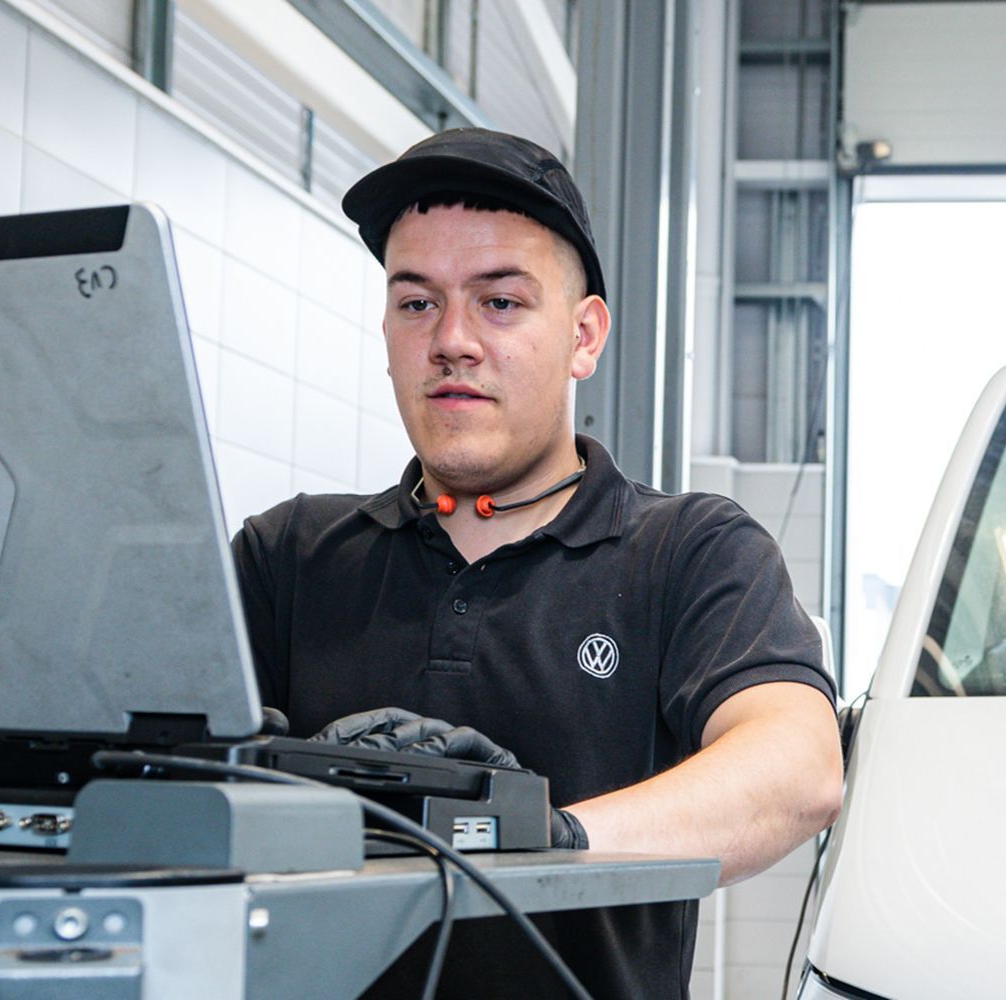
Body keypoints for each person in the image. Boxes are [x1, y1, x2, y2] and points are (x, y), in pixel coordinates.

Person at [231, 128, 842, 998]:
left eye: (501, 303)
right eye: (417, 304)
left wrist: (544, 839)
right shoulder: (285, 557)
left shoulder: (689, 553)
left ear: (584, 336)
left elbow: (799, 768)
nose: (452, 340)